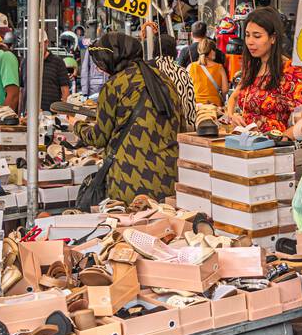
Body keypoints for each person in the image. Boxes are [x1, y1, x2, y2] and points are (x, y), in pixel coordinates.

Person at [76, 33, 181, 203]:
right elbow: (179, 127)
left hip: (129, 179)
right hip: (169, 178)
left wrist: (77, 125)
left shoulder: (114, 85)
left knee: (128, 227)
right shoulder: (164, 80)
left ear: (113, 58)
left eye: (101, 63)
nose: (99, 68)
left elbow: (99, 137)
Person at [226, 7, 302, 134]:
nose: (250, 42)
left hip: (270, 147)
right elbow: (233, 97)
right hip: (242, 143)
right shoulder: (251, 67)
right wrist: (232, 116)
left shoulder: (290, 71)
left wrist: (283, 138)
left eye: (257, 36)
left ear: (273, 38)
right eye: (247, 35)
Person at [145, 25, 196, 129]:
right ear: (174, 50)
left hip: (155, 128)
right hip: (179, 127)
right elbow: (191, 105)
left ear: (155, 48)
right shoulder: (183, 72)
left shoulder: (147, 69)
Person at [188, 37, 229, 108]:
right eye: (214, 50)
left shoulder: (190, 67)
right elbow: (225, 90)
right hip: (214, 107)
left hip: (196, 107)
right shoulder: (219, 68)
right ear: (211, 51)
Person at [38, 31, 70, 112]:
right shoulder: (26, 62)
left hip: (51, 115)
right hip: (28, 115)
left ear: (46, 43)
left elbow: (65, 90)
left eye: (39, 44)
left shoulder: (58, 62)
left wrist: (63, 113)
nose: (37, 48)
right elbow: (22, 90)